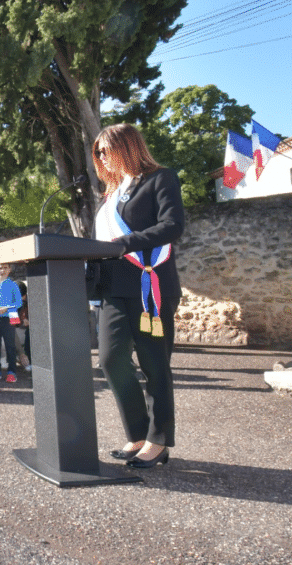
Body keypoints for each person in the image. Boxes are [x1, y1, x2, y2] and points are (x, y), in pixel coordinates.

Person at [92, 122, 185, 468]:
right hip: (113, 289)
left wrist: (124, 243)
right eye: (98, 152)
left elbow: (172, 225)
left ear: (127, 146)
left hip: (150, 287)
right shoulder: (111, 194)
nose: (101, 157)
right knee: (111, 359)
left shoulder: (160, 179)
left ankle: (158, 442)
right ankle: (137, 433)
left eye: (105, 150)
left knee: (154, 363)